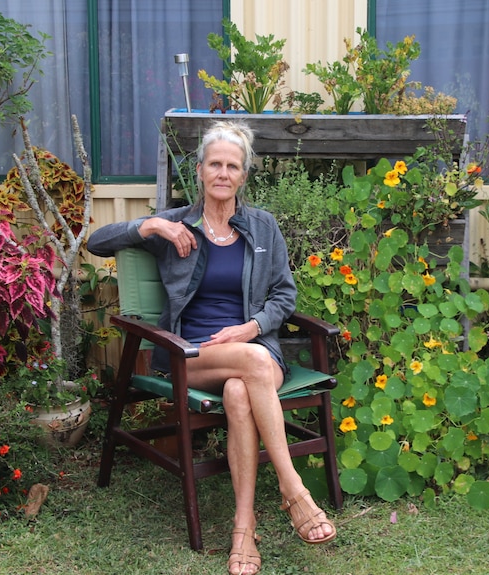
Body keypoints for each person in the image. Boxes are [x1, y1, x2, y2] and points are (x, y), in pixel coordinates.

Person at [87, 120, 335, 575]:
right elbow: (96, 242)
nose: (223, 173)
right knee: (254, 364)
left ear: (243, 175)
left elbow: (285, 295)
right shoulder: (175, 226)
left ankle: (243, 526)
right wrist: (152, 225)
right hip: (191, 355)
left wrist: (250, 328)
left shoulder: (263, 228)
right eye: (214, 164)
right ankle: (293, 490)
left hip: (254, 351)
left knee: (244, 383)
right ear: (200, 170)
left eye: (233, 166)